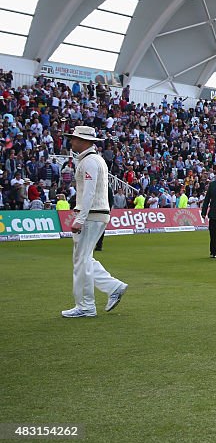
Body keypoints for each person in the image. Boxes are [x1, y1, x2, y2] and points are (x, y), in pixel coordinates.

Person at [60, 126, 128, 318]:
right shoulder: (93, 160)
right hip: (95, 214)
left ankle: (86, 306)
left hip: (91, 215)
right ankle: (113, 287)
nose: (71, 142)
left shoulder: (90, 161)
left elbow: (89, 192)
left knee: (81, 261)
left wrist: (80, 218)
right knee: (84, 259)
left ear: (83, 141)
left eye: (74, 139)